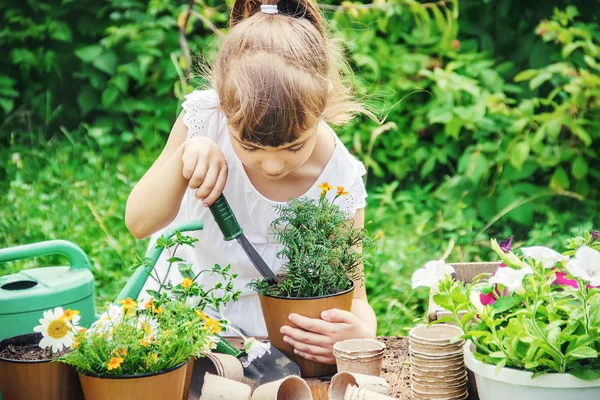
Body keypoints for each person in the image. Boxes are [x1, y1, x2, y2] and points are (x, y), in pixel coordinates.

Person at [125, 0, 377, 364]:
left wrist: (360, 331)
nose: (272, 164)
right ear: (224, 105)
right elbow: (138, 222)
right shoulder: (204, 121)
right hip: (175, 322)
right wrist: (186, 155)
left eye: (293, 146)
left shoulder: (337, 180)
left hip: (270, 344)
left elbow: (355, 298)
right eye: (250, 145)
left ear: (321, 103)